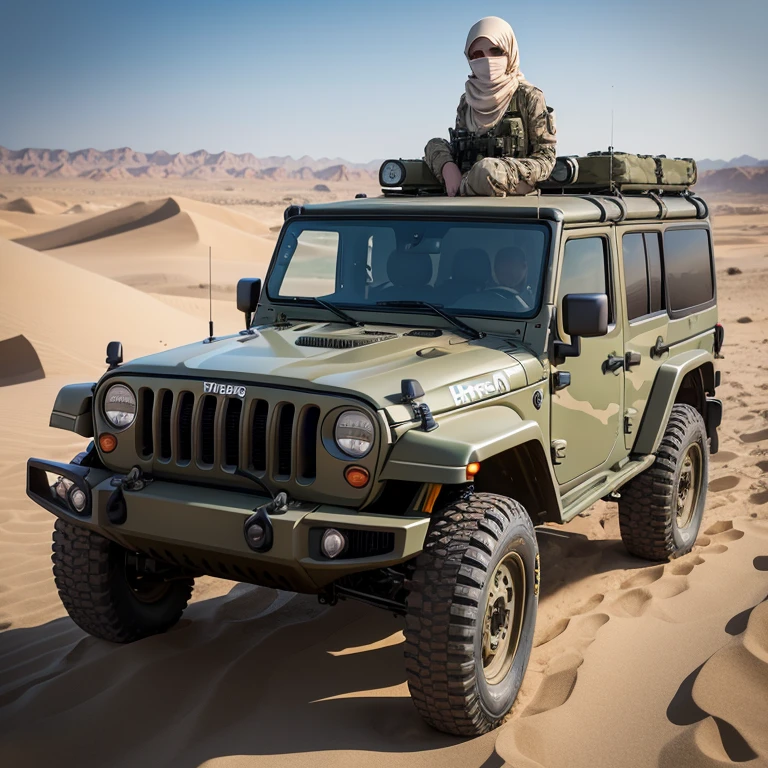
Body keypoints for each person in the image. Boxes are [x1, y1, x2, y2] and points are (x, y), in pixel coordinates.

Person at [424, 16, 556, 197]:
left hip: (511, 196)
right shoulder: (467, 101)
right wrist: (448, 167)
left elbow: (545, 159)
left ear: (510, 51)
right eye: (477, 55)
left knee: (486, 170)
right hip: (466, 204)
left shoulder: (529, 97)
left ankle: (465, 188)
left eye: (495, 51)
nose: (487, 60)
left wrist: (499, 172)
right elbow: (456, 150)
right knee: (433, 145)